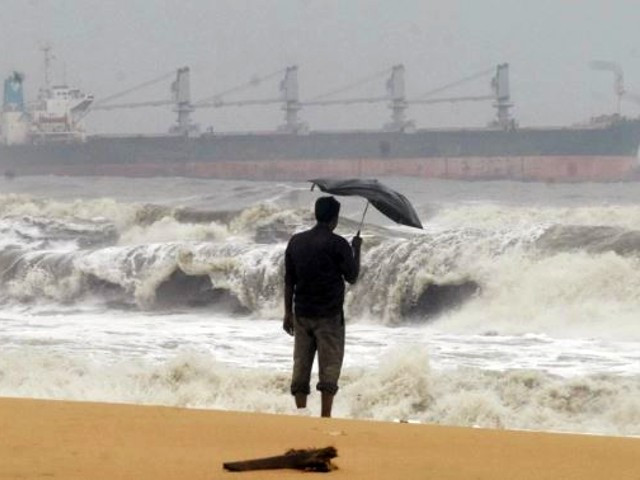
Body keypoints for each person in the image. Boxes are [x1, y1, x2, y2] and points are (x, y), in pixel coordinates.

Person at [283, 196, 362, 418]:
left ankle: (301, 413)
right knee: (329, 368)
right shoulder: (338, 244)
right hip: (329, 315)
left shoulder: (296, 241)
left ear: (317, 214)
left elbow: (289, 279)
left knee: (301, 364)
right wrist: (357, 250)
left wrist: (287, 312)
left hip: (301, 313)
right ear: (335, 219)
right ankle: (325, 416)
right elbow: (352, 276)